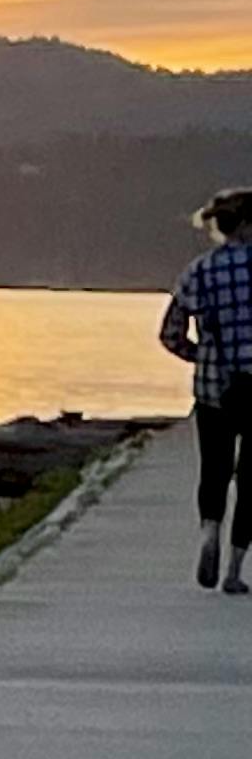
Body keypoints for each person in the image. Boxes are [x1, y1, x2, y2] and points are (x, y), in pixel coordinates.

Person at [158, 187, 252, 591]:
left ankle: (209, 532)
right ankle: (234, 569)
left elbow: (170, 334)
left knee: (213, 468)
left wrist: (202, 357)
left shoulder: (199, 270)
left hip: (215, 387)